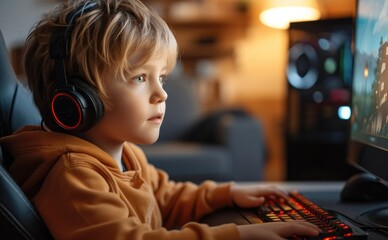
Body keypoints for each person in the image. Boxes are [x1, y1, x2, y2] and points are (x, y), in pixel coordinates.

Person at [0, 0, 321, 239]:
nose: (161, 94)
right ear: (77, 99)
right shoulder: (74, 179)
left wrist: (227, 193)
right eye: (140, 78)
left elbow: (166, 197)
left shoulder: (126, 155)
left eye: (163, 78)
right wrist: (239, 235)